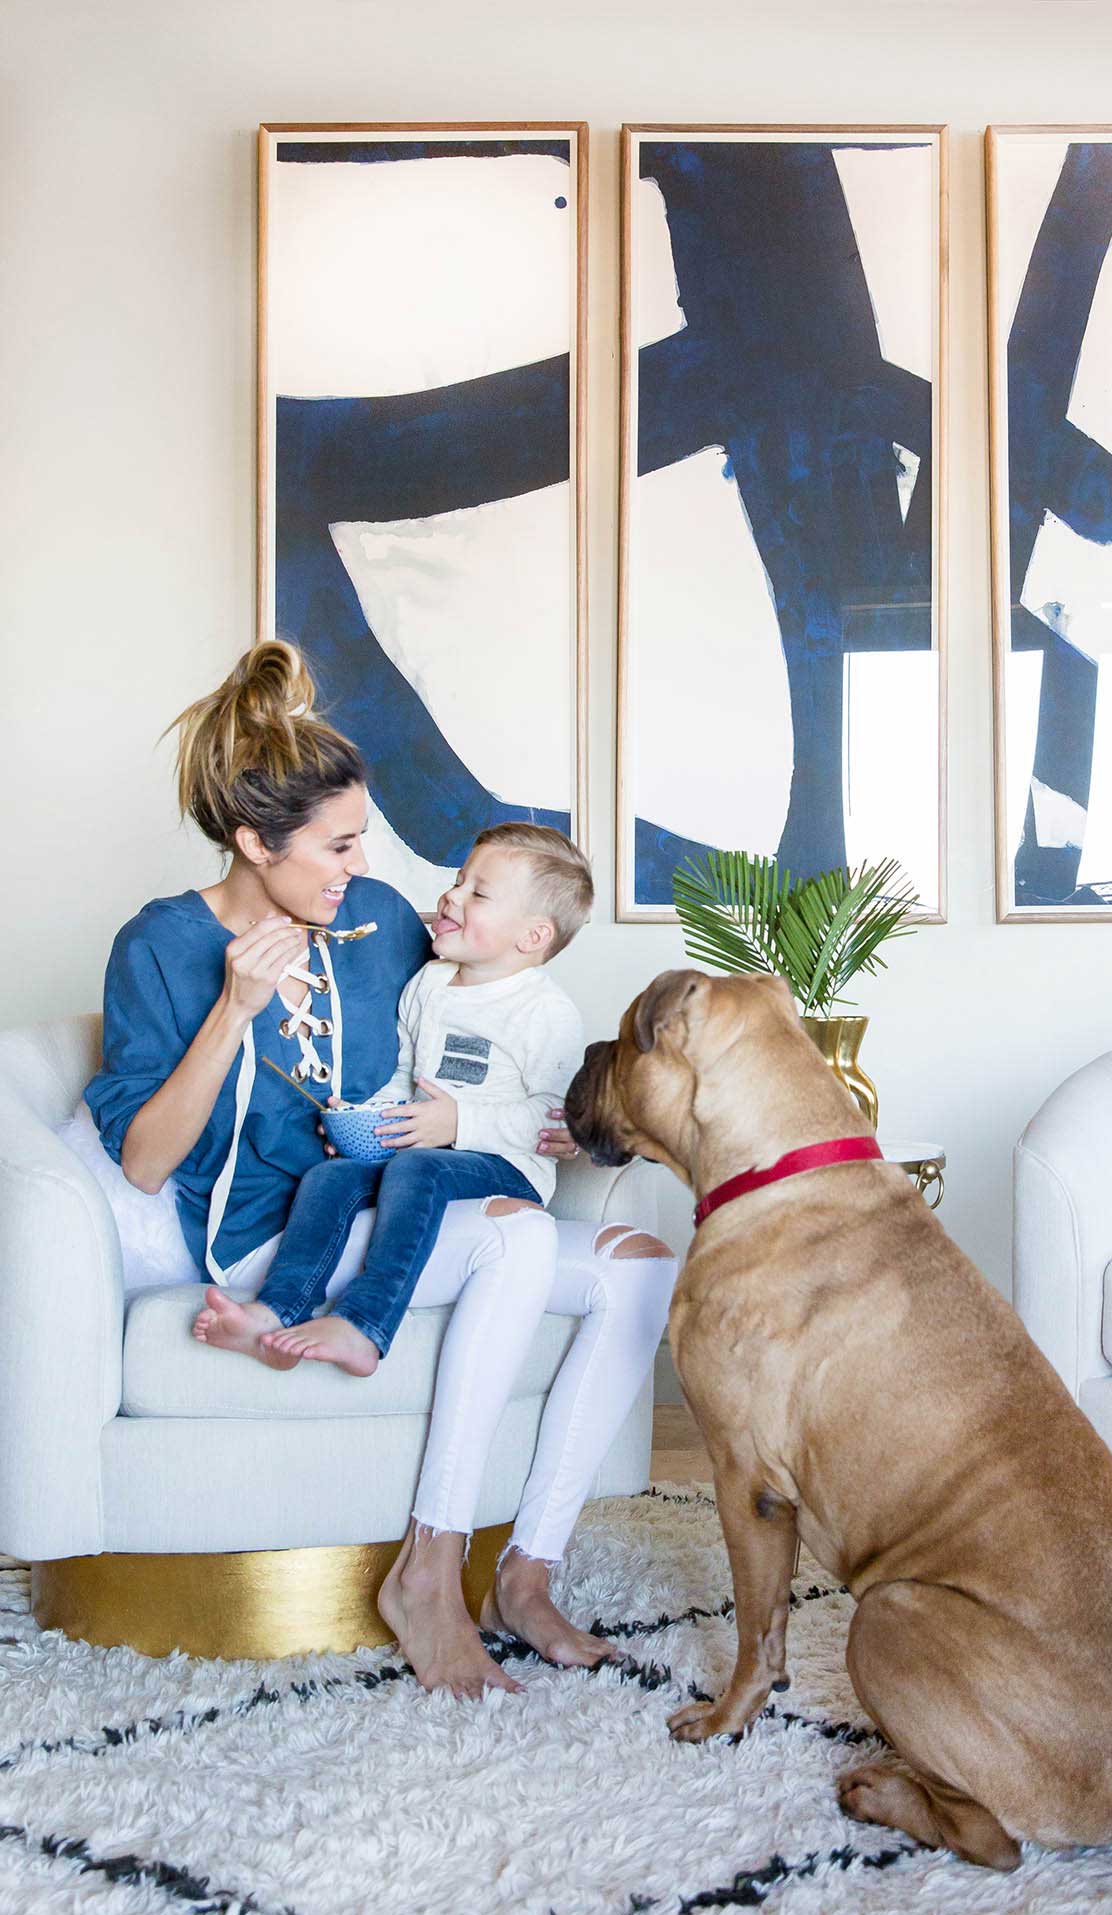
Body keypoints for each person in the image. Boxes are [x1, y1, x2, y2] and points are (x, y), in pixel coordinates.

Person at [85, 640, 677, 1697]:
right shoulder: (161, 946)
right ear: (255, 841)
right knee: (514, 1242)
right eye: (339, 845)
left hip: (402, 1203)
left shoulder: (379, 927)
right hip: (279, 1234)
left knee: (641, 1269)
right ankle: (429, 1574)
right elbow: (142, 1162)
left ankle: (527, 1575)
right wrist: (234, 1011)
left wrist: (530, 1123)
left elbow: (496, 1019)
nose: (359, 867)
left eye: (361, 842)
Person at [192, 823, 591, 1379]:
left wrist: (458, 1122)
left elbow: (554, 1116)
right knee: (331, 1177)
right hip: (421, 1158)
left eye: (478, 893)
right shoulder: (430, 983)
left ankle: (365, 1325)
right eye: (458, 880)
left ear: (532, 936)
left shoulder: (543, 1011)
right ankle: (275, 1310)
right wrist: (369, 1119)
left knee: (418, 1168)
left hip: (505, 1167)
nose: (452, 896)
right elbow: (405, 1074)